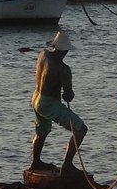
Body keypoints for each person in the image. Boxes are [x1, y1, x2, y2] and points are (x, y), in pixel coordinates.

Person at [30, 30, 87, 176]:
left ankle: (36, 162)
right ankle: (67, 165)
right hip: (49, 102)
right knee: (80, 130)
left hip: (36, 98)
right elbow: (68, 96)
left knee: (42, 131)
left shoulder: (43, 54)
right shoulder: (63, 69)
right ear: (66, 50)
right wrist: (68, 92)